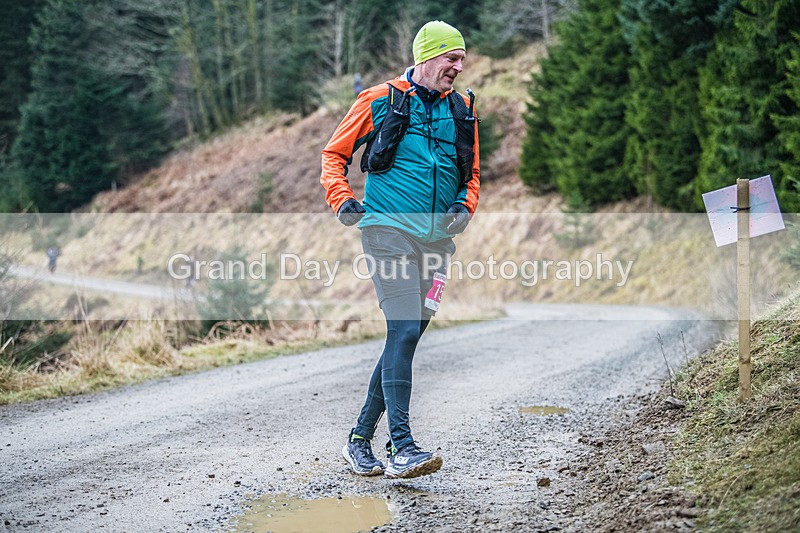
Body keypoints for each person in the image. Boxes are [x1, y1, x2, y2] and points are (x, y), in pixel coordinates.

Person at [321, 20, 480, 479]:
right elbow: (334, 155)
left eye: (463, 58)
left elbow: (472, 176)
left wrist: (464, 206)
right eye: (452, 58)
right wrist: (342, 198)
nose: (459, 66)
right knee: (404, 329)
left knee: (404, 336)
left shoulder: (462, 109)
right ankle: (402, 446)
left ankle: (357, 439)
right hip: (386, 229)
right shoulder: (380, 99)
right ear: (427, 57)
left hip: (436, 241)